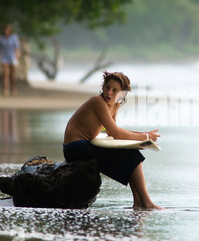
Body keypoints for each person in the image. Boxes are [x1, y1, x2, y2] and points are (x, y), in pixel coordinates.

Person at [63, 71, 163, 209]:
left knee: (133, 154)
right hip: (75, 148)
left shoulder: (115, 105)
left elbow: (111, 131)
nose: (109, 93)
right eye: (107, 87)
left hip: (86, 145)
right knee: (132, 156)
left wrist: (143, 135)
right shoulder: (98, 102)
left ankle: (138, 203)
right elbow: (116, 133)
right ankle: (147, 203)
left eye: (115, 90)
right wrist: (145, 137)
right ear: (103, 87)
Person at [0, 24, 21, 96]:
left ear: (10, 31)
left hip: (12, 57)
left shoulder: (14, 38)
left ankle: (13, 88)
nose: (6, 31)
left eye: (8, 30)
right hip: (4, 57)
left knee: (12, 75)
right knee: (6, 74)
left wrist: (17, 54)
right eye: (5, 30)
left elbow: (17, 47)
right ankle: (6, 90)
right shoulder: (1, 39)